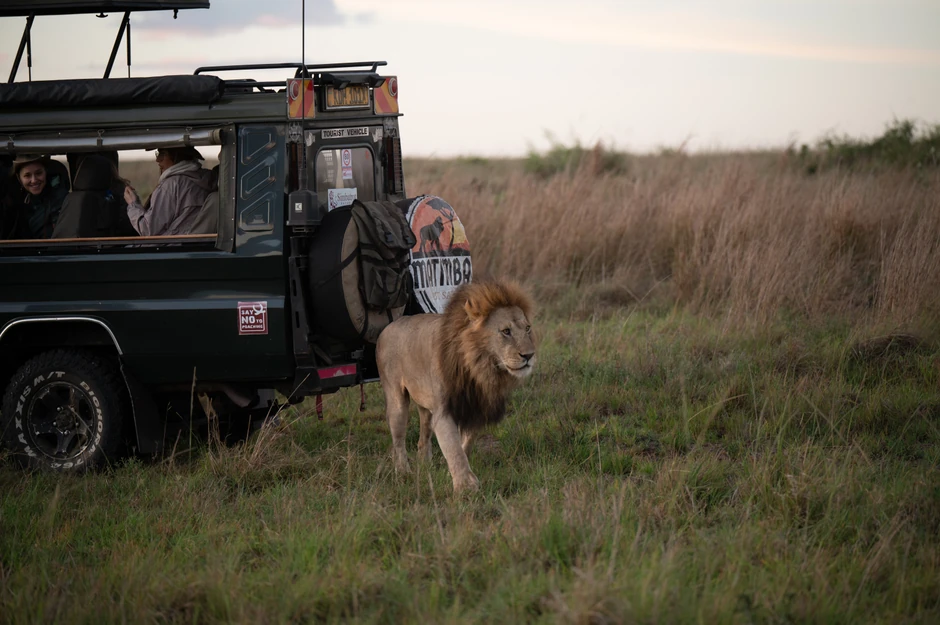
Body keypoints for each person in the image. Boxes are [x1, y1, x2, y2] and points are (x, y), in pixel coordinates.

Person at [124, 146, 217, 236]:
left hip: (170, 247)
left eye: (162, 154)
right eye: (158, 154)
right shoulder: (208, 179)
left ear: (176, 156)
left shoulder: (171, 185)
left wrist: (133, 204)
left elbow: (147, 230)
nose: (158, 159)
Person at [10, 154, 69, 239]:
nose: (33, 180)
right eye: (27, 175)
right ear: (19, 179)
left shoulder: (60, 199)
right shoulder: (16, 204)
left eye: (38, 173)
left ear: (46, 173)